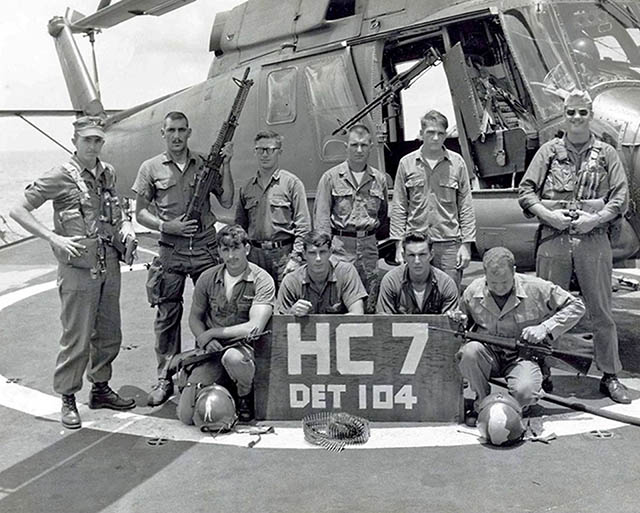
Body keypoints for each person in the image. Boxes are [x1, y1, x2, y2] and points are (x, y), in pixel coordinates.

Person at [10, 116, 136, 429]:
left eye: (98, 140)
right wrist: (54, 238)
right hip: (78, 268)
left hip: (108, 263)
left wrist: (127, 227)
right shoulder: (60, 175)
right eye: (87, 140)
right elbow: (18, 210)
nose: (93, 145)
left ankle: (100, 389)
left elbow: (117, 211)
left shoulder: (108, 173)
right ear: (74, 142)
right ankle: (67, 397)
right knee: (77, 337)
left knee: (109, 334)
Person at [518, 90, 631, 404]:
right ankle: (542, 371)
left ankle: (610, 375)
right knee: (544, 308)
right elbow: (526, 192)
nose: (577, 118)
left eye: (582, 112)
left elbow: (620, 198)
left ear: (591, 115)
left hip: (593, 240)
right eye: (571, 112)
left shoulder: (607, 154)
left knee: (601, 311)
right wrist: (549, 216)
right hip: (554, 239)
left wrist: (594, 220)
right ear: (564, 115)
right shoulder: (548, 152)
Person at [132, 111, 235, 407]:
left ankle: (214, 373)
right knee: (167, 316)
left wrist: (226, 164)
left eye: (181, 130)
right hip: (171, 249)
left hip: (204, 247)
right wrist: (168, 226)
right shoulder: (150, 168)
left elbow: (227, 199)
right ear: (163, 134)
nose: (176, 136)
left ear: (189, 132)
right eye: (171, 131)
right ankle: (165, 378)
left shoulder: (204, 162)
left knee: (214, 310)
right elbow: (140, 213)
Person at [452, 247, 585, 423]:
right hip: (488, 355)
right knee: (469, 352)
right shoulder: (472, 291)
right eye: (493, 283)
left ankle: (518, 403)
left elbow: (576, 306)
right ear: (485, 274)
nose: (499, 288)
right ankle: (482, 403)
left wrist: (545, 328)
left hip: (522, 357)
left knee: (525, 393)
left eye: (505, 282)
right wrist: (457, 320)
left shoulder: (537, 287)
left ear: (514, 271)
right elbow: (461, 323)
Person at [178, 225, 275, 423]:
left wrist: (213, 333)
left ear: (246, 249)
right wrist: (205, 340)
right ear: (219, 252)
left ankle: (245, 395)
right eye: (225, 249)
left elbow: (254, 327)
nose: (231, 256)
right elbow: (194, 318)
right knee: (186, 415)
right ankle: (224, 384)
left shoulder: (262, 280)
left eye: (236, 248)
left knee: (233, 359)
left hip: (244, 349)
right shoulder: (207, 278)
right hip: (212, 351)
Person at [390, 110, 476, 289]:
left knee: (449, 294)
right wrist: (398, 245)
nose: (436, 138)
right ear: (421, 133)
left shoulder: (457, 163)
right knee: (416, 295)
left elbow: (466, 206)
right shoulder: (406, 164)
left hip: (449, 245)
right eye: (430, 132)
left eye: (440, 133)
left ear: (445, 135)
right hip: (416, 244)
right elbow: (399, 206)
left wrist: (466, 245)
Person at [314, 124, 389, 312]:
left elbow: (382, 214)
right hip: (341, 248)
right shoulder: (331, 178)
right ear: (346, 146)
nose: (359, 150)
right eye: (354, 145)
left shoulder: (379, 179)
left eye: (364, 145)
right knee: (338, 300)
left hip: (369, 249)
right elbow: (322, 220)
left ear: (371, 147)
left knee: (370, 299)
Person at [235, 130, 311, 289]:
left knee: (286, 300)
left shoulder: (292, 184)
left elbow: (303, 226)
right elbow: (239, 227)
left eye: (270, 150)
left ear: (279, 152)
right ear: (255, 152)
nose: (264, 154)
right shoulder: (247, 188)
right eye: (260, 150)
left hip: (284, 256)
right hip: (255, 257)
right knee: (257, 300)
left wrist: (296, 258)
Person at [275, 230, 368, 315]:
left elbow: (357, 313)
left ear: (330, 252)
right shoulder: (291, 281)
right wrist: (292, 313)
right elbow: (280, 322)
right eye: (312, 253)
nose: (318, 258)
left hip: (340, 328)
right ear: (304, 254)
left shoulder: (346, 272)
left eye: (322, 252)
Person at [376, 232, 458, 314]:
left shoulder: (445, 284)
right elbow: (384, 319)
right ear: (404, 256)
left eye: (422, 254)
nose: (417, 261)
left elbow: (450, 320)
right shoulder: (391, 282)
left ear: (431, 255)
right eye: (411, 255)